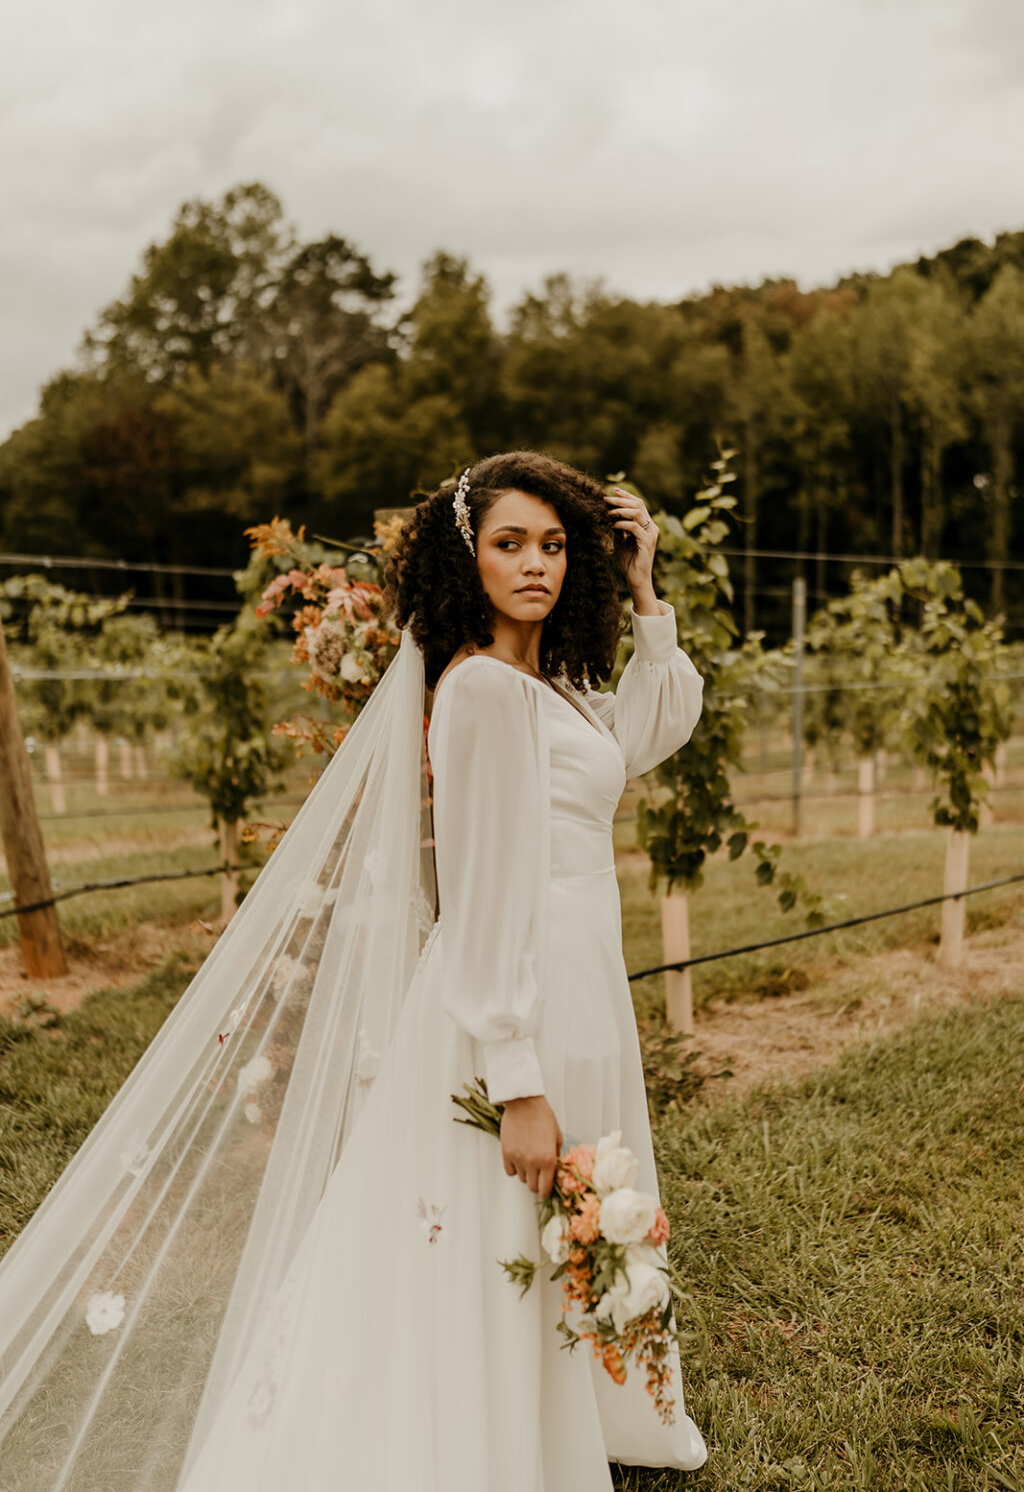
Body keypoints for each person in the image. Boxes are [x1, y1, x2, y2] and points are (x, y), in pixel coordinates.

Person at [0, 451, 707, 1490]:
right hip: (521, 985)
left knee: (565, 1208)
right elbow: (480, 894)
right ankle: (495, 1439)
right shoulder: (479, 693)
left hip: (581, 972)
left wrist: (647, 593)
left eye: (554, 546)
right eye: (509, 543)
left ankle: (574, 1413)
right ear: (464, 557)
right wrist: (514, 1076)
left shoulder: (549, 684)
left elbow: (647, 731)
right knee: (506, 1210)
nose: (536, 566)